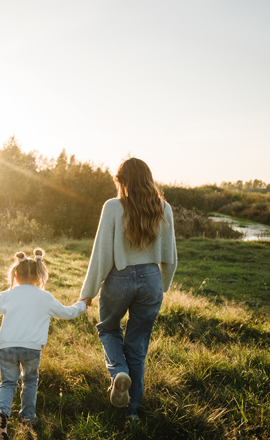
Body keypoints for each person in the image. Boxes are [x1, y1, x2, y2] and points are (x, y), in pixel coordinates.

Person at [79, 157, 177, 421]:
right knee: (137, 345)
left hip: (119, 278)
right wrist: (163, 285)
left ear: (122, 181)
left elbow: (101, 254)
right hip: (151, 278)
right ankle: (132, 411)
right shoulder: (164, 208)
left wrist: (88, 292)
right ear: (148, 179)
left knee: (108, 329)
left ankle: (119, 372)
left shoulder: (113, 207)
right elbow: (170, 255)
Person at [0, 249, 88, 439]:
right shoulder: (45, 297)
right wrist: (82, 304)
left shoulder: (8, 294)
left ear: (15, 275)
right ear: (40, 275)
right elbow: (67, 313)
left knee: (8, 383)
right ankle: (27, 417)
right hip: (32, 348)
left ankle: (1, 415)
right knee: (30, 381)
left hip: (7, 346)